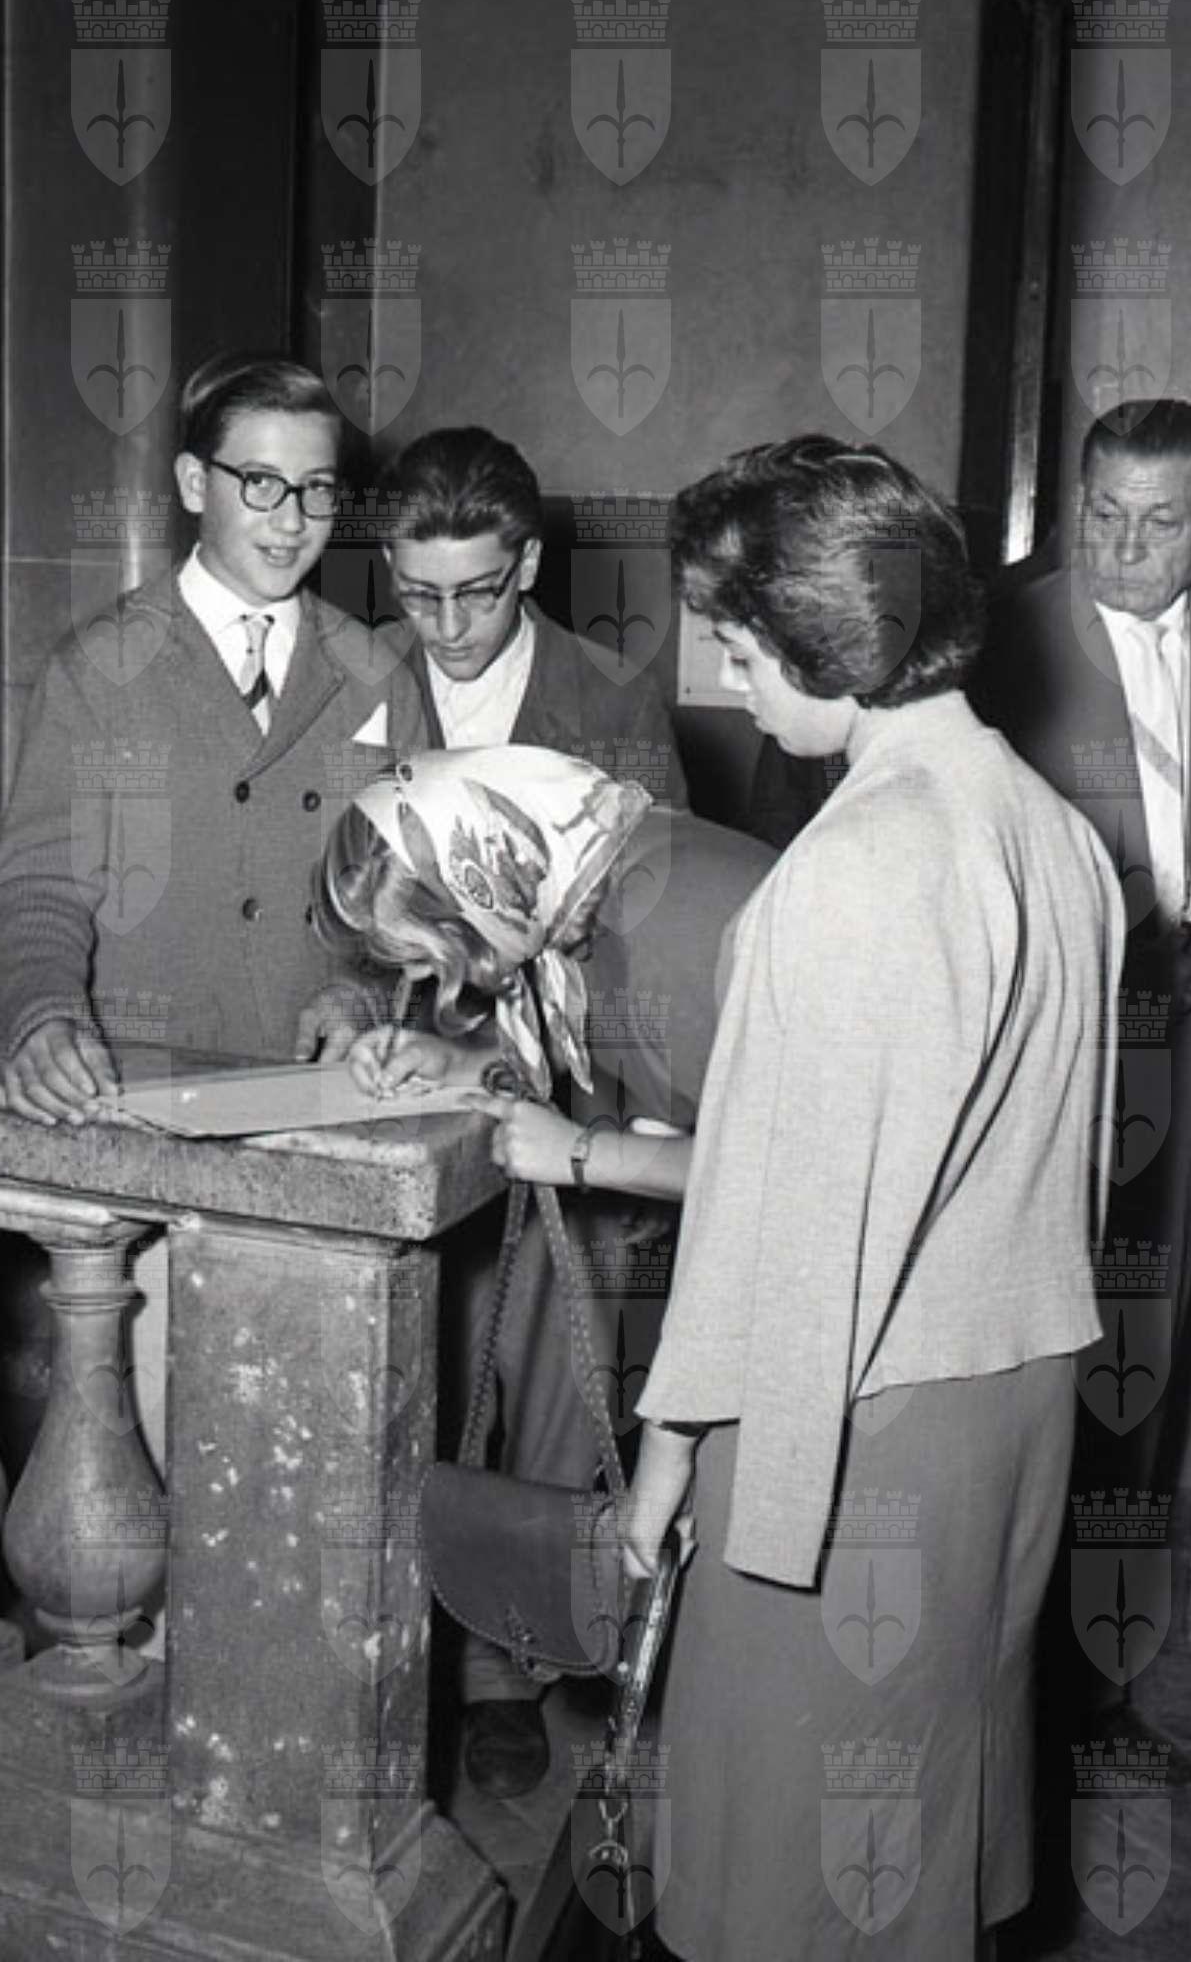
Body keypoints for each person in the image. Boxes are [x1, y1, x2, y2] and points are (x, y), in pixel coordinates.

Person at [529, 437, 1116, 1961]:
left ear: (820, 642)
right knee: (913, 1814)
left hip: (846, 1413)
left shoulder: (853, 864)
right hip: (1008, 1402)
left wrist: (667, 1456)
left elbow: (778, 1235)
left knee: (786, 1850)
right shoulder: (1048, 827)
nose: (730, 690)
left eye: (737, 649)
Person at [971, 398, 1191, 1777]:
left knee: (1136, 1378)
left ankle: (1096, 1693)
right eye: (1100, 513)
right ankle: (989, 1699)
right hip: (1023, 1059)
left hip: (1176, 1069)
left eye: (1157, 521)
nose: (1120, 546)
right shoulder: (993, 644)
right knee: (1015, 1371)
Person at [314, 744, 773, 1796]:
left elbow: (785, 1173)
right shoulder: (592, 888)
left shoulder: (668, 920)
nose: (423, 983)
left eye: (428, 953)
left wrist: (580, 1156)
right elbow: (598, 1062)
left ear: (476, 881)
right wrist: (458, 1064)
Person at [0, 351, 426, 1125]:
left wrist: (361, 994)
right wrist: (46, 1018)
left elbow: (411, 898)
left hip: (320, 1105)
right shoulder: (97, 668)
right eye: (261, 483)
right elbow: (41, 885)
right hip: (137, 1099)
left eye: (317, 489)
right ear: (194, 484)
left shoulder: (377, 677)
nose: (292, 520)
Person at [375, 425, 688, 804]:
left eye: (476, 593)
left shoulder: (623, 703)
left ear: (527, 564)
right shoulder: (348, 678)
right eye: (420, 594)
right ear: (391, 563)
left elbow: (662, 843)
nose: (449, 629)